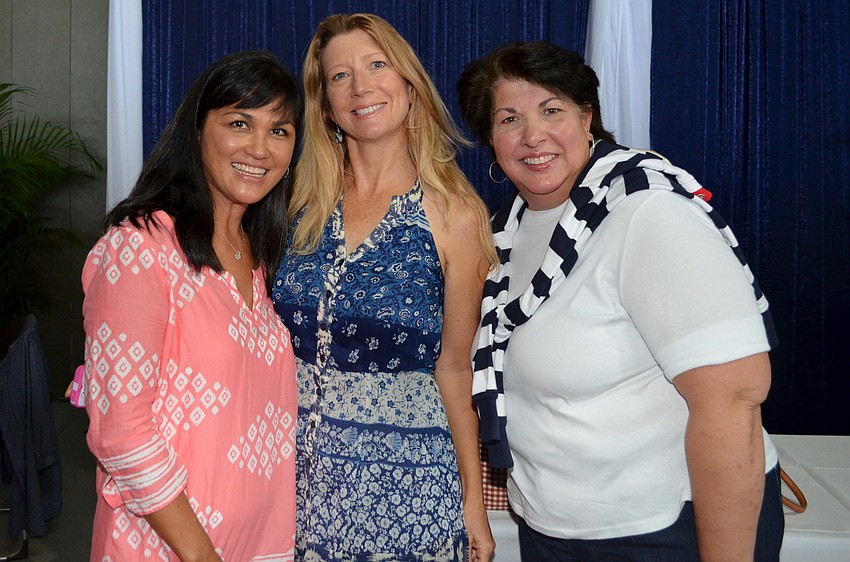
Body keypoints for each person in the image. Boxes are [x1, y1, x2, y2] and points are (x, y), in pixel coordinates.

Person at [457, 41, 784, 562]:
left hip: (663, 534)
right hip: (552, 532)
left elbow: (732, 401)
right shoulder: (508, 233)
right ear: (491, 141)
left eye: (551, 110)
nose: (532, 135)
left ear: (588, 117)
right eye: (508, 119)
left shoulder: (648, 214)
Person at [271, 13, 496, 562]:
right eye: (339, 76)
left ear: (409, 85)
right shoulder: (292, 204)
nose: (361, 86)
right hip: (284, 484)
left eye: (377, 65)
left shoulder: (456, 215)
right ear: (323, 103)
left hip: (406, 489)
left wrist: (472, 500)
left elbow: (456, 366)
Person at [80, 50, 302, 561]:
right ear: (197, 131)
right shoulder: (140, 248)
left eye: (280, 131)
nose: (260, 148)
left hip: (264, 544)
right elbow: (121, 433)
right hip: (168, 549)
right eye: (240, 123)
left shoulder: (260, 255)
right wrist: (203, 556)